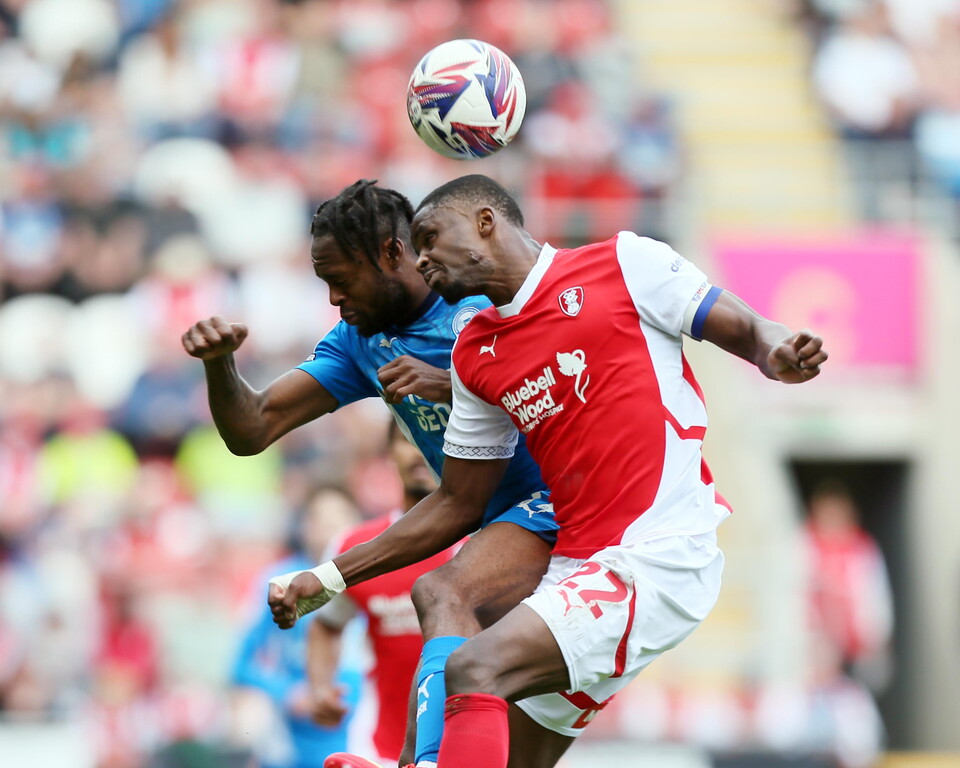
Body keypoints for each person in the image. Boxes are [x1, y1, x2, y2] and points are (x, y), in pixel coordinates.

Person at [268, 174, 829, 768]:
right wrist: (329, 577)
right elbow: (457, 502)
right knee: (491, 717)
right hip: (573, 565)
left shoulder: (623, 263)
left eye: (431, 239)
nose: (422, 259)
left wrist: (776, 351)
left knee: (474, 668)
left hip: (657, 550)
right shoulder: (474, 353)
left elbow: (746, 327)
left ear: (485, 221)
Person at [181, 179, 560, 768]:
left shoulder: (478, 298)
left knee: (444, 595)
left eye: (342, 279)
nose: (334, 298)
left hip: (566, 509)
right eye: (324, 282)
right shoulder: (360, 341)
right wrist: (219, 366)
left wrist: (453, 384)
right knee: (480, 699)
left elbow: (561, 376)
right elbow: (252, 429)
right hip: (496, 527)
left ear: (391, 252)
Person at [309, 419, 458, 765]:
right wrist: (320, 686)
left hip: (466, 748)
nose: (420, 448)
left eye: (435, 437)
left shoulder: (490, 544)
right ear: (389, 452)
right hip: (380, 750)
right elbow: (327, 624)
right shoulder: (353, 549)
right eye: (408, 438)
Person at [231, 485, 364, 768]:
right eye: (320, 520)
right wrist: (287, 693)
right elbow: (240, 665)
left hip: (355, 740)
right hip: (289, 744)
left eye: (339, 520)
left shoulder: (371, 583)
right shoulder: (277, 583)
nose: (329, 531)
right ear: (304, 527)